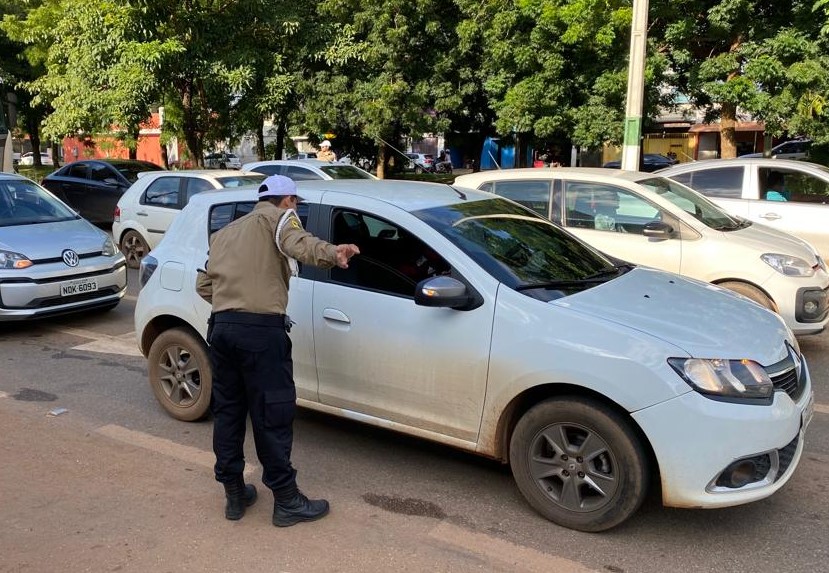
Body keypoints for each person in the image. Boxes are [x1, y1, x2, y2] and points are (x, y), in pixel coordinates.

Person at [196, 175, 360, 527]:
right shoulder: (280, 218)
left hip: (222, 330)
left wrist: (233, 303)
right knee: (272, 413)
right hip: (260, 334)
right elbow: (299, 243)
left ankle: (234, 494)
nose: (296, 208)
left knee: (228, 413)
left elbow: (203, 283)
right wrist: (334, 253)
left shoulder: (224, 233)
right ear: (287, 200)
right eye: (296, 203)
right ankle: (286, 501)